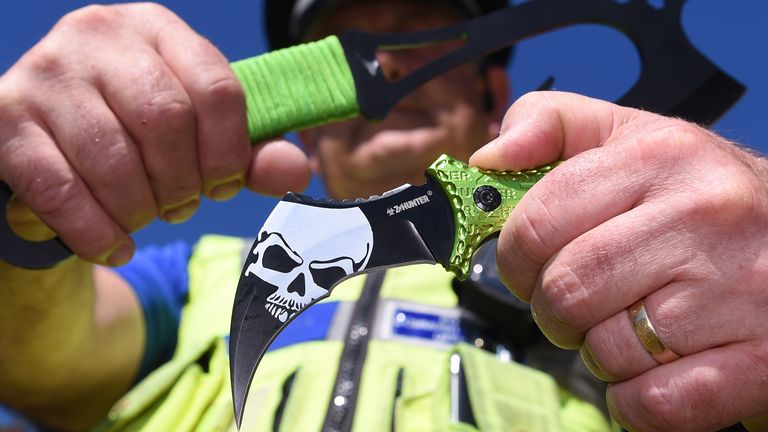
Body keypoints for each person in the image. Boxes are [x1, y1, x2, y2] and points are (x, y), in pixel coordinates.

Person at [0, 1, 765, 432]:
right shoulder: (200, 280)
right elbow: (35, 363)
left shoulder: (624, 264)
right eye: (343, 48)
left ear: (492, 93)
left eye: (422, 23)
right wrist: (27, 197)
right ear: (302, 117)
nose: (391, 65)